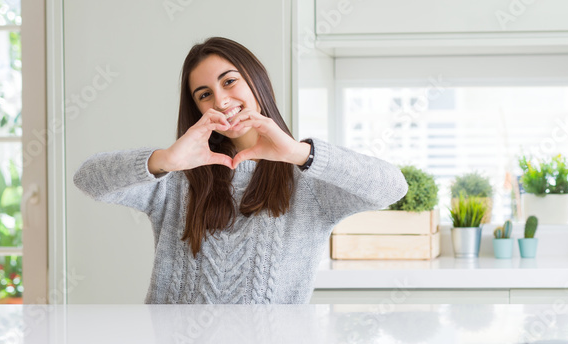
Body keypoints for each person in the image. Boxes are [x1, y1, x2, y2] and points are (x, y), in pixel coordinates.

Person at [73, 37, 408, 304]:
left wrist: (299, 152)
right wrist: (165, 160)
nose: (220, 101)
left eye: (229, 81)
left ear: (256, 81)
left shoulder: (308, 180)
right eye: (205, 94)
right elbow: (88, 180)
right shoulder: (177, 176)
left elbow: (392, 187)